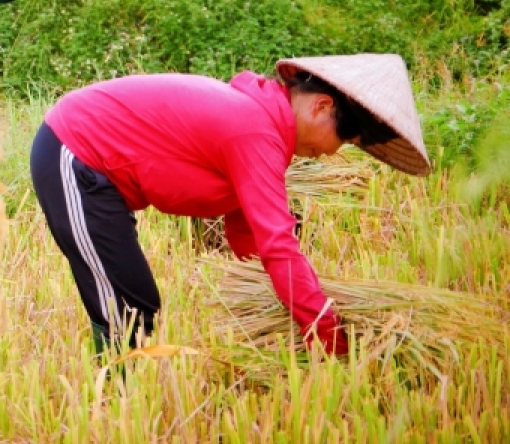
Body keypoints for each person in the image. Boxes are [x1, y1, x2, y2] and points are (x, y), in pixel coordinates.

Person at [30, 53, 432, 356]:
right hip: (75, 152)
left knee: (133, 300)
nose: (331, 153)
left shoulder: (262, 125)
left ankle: (121, 397)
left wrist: (263, 291)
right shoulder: (254, 130)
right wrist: (330, 336)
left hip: (97, 171)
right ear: (322, 106)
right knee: (128, 305)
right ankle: (112, 407)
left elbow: (248, 232)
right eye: (342, 139)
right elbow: (278, 247)